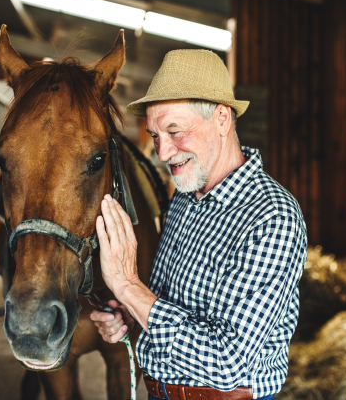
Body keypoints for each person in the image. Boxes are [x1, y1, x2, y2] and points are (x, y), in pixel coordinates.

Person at [90, 49, 307, 400]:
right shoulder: (185, 195)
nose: (162, 153)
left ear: (222, 118)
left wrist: (129, 287)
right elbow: (167, 302)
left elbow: (227, 361)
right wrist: (131, 314)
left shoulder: (272, 216)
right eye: (156, 136)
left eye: (175, 131)